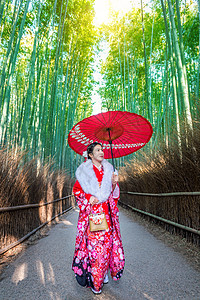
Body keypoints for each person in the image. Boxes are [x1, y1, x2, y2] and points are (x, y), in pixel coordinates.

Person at [72, 142, 125, 294]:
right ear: (90, 155)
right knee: (96, 250)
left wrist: (114, 184)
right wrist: (88, 197)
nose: (102, 152)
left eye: (102, 149)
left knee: (107, 247)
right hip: (93, 216)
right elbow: (77, 191)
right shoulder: (85, 172)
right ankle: (97, 282)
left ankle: (103, 273)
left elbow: (112, 195)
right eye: (98, 150)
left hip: (107, 215)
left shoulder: (109, 170)